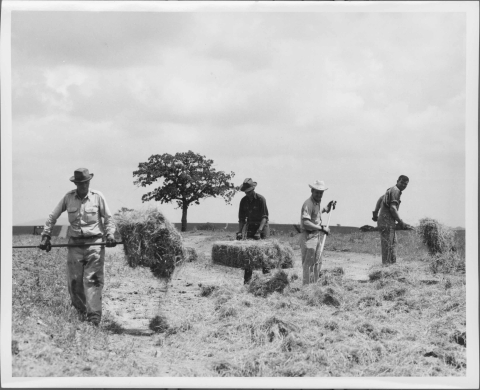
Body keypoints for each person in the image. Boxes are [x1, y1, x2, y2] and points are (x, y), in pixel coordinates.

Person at [39, 168, 116, 326]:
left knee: (93, 280)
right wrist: (46, 236)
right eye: (79, 183)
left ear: (89, 182)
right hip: (75, 244)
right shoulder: (68, 198)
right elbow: (52, 216)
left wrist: (110, 235)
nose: (82, 186)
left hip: (95, 243)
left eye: (85, 183)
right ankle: (81, 314)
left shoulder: (98, 197)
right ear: (75, 183)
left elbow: (108, 218)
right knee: (74, 281)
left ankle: (94, 317)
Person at [299, 180, 335, 285]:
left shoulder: (317, 202)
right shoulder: (308, 204)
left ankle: (314, 285)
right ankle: (307, 288)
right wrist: (321, 228)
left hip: (316, 236)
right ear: (312, 191)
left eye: (321, 192)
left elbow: (317, 214)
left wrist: (327, 208)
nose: (319, 194)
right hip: (308, 236)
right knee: (309, 264)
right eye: (317, 192)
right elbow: (306, 222)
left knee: (317, 261)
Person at [235, 178, 270, 284]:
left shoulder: (260, 199)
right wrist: (240, 231)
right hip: (250, 227)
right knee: (249, 255)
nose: (248, 194)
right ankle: (247, 282)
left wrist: (259, 231)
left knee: (264, 254)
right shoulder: (243, 201)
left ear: (253, 189)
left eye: (249, 192)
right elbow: (241, 218)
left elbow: (265, 217)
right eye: (246, 192)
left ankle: (267, 280)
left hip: (262, 227)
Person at [372, 175, 411, 265]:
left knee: (392, 244)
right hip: (387, 222)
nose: (403, 186)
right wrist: (401, 222)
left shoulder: (390, 189)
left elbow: (380, 199)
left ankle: (391, 267)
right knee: (389, 246)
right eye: (402, 183)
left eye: (405, 184)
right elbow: (393, 208)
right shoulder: (396, 191)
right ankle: (387, 269)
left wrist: (375, 213)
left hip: (384, 221)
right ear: (397, 181)